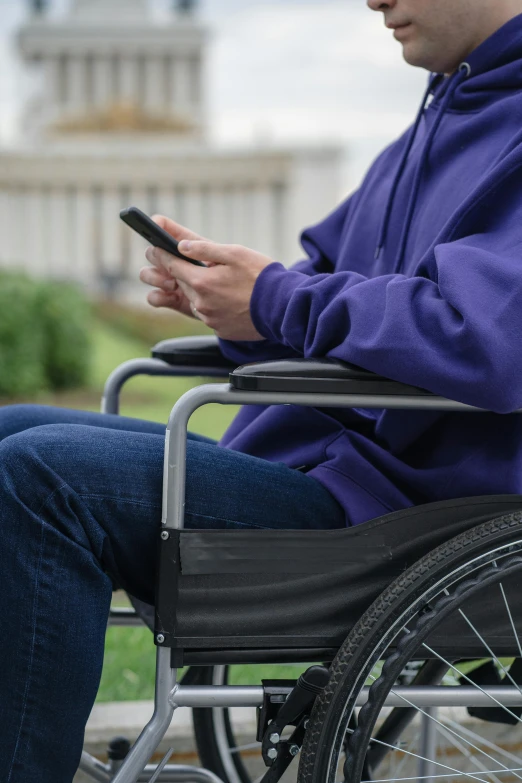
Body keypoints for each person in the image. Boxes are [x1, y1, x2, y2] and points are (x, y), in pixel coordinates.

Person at [1, 0, 522, 779]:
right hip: (330, 470)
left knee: (40, 479)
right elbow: (321, 289)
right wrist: (234, 308)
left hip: (403, 512)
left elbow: (488, 337)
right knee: (10, 429)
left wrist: (276, 299)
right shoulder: (436, 121)